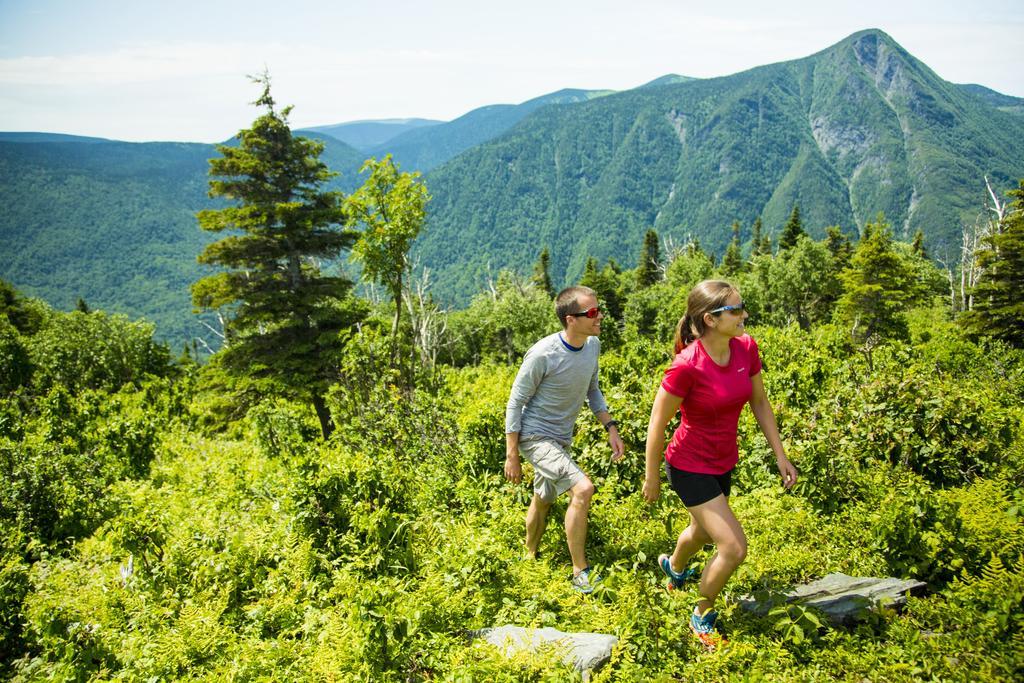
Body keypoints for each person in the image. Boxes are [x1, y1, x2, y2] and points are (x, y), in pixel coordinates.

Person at [642, 280, 797, 649]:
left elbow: (760, 402)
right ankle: (701, 614)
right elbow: (657, 422)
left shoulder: (746, 348)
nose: (744, 315)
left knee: (702, 530)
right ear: (710, 319)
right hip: (687, 464)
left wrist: (780, 454)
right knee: (733, 547)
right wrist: (652, 477)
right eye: (736, 309)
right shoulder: (687, 366)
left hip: (722, 460)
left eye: (743, 307)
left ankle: (674, 568)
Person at [505, 285, 626, 593]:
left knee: (543, 499)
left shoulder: (592, 345)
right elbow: (516, 401)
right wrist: (512, 455)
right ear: (571, 319)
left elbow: (592, 389)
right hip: (534, 437)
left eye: (599, 309)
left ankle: (529, 554)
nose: (600, 317)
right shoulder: (543, 354)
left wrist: (610, 426)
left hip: (561, 439)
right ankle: (579, 571)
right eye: (592, 313)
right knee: (583, 489)